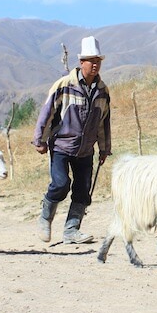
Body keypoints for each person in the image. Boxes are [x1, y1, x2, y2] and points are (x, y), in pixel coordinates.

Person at [33, 35, 112, 244]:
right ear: (81, 62)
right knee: (60, 183)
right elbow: (47, 112)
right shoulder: (64, 85)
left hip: (86, 150)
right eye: (91, 60)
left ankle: (71, 230)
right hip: (62, 145)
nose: (95, 65)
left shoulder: (103, 91)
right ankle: (45, 218)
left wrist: (104, 149)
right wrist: (39, 140)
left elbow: (104, 122)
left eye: (98, 61)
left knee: (82, 190)